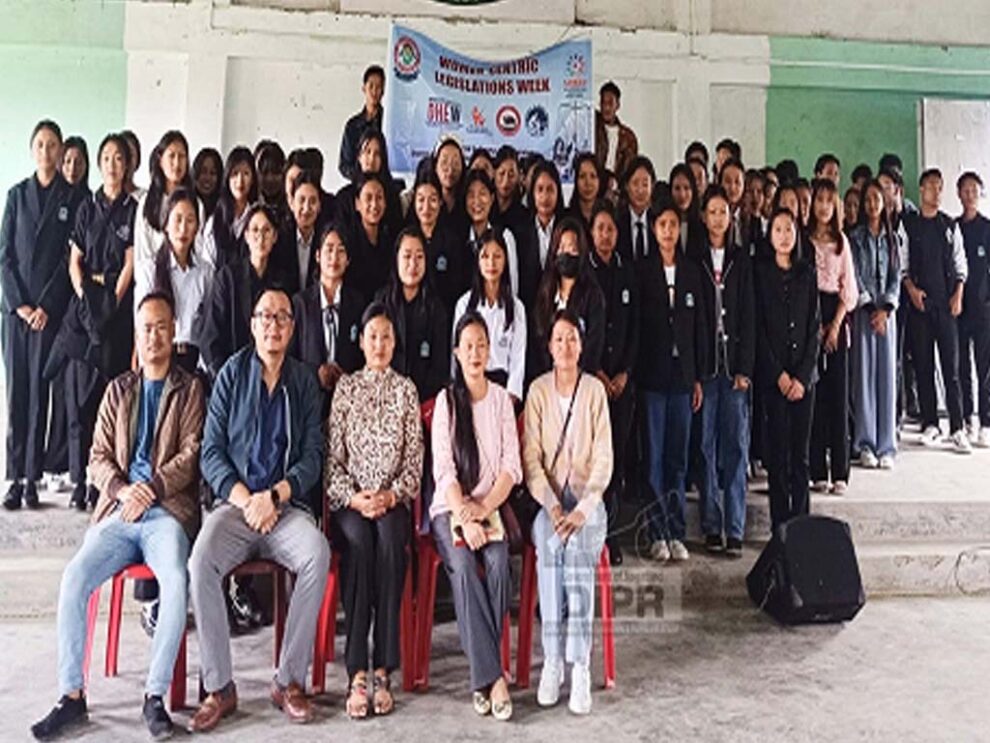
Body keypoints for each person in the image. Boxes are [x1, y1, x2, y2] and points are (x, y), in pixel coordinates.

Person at [29, 292, 205, 742]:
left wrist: (153, 488)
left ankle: (154, 696)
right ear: (136, 334)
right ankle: (71, 695)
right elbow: (98, 457)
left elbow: (192, 454)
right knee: (74, 578)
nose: (154, 336)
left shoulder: (190, 390)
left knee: (175, 580)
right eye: (146, 328)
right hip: (120, 511)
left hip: (166, 513)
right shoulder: (118, 390)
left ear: (173, 331)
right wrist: (125, 490)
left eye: (162, 327)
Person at [189, 287, 329, 731]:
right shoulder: (231, 375)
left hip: (285, 508)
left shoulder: (303, 382)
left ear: (292, 327)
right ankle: (219, 687)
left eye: (282, 317)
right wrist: (247, 499)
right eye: (265, 316)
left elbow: (313, 457)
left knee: (317, 553)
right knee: (201, 559)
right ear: (252, 325)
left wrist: (276, 496)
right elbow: (211, 452)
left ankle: (288, 681)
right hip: (237, 507)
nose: (273, 325)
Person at [325, 302, 423, 720]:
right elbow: (333, 461)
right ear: (361, 342)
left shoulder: (406, 390)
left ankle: (383, 667)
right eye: (372, 337)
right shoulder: (346, 388)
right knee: (360, 544)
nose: (379, 344)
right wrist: (355, 498)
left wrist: (390, 495)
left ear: (394, 343)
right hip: (352, 501)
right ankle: (356, 672)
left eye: (386, 337)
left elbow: (414, 461)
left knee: (389, 543)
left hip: (392, 500)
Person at [430, 312, 521, 721]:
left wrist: (483, 510)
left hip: (491, 508)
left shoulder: (501, 400)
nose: (475, 353)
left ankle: (481, 675)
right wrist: (465, 517)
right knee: (465, 565)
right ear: (456, 352)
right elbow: (444, 470)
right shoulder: (447, 402)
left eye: (481, 345)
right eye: (467, 346)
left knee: (500, 563)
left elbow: (511, 468)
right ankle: (493, 678)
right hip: (450, 508)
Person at [523, 309, 612, 716]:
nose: (565, 346)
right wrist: (553, 505)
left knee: (576, 552)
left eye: (572, 338)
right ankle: (552, 659)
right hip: (551, 504)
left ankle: (579, 665)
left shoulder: (594, 391)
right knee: (549, 546)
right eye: (559, 338)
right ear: (549, 345)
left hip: (589, 505)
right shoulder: (538, 391)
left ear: (582, 344)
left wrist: (584, 509)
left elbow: (604, 459)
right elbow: (531, 460)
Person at [1, 121, 85, 510]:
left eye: (53, 145)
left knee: (39, 395)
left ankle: (32, 478)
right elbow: (4, 256)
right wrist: (20, 305)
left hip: (48, 315)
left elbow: (68, 262)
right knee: (16, 392)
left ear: (61, 150)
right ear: (31, 149)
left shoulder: (71, 200)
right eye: (40, 144)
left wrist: (46, 307)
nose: (47, 152)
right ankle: (14, 477)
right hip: (16, 315)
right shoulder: (16, 195)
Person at [53, 133, 137, 511]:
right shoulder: (86, 207)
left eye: (119, 158)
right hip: (84, 310)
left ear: (127, 164)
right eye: (107, 158)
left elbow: (131, 263)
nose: (112, 165)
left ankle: (104, 482)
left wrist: (111, 304)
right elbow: (75, 262)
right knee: (78, 403)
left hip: (116, 315)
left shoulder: (133, 209)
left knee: (111, 405)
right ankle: (78, 480)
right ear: (99, 164)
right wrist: (88, 300)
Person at [636, 203, 706, 562]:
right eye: (662, 224)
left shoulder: (691, 271)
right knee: (654, 460)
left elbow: (700, 328)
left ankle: (676, 531)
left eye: (673, 224)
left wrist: (697, 378)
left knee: (677, 459)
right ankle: (656, 533)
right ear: (653, 228)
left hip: (682, 379)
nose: (668, 231)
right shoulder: (643, 271)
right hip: (652, 378)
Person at [691, 186, 755, 558]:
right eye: (712, 211)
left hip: (734, 369)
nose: (718, 218)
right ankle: (712, 525)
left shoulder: (741, 259)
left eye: (723, 211)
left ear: (731, 217)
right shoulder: (694, 259)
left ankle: (735, 527)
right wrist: (695, 374)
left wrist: (745, 368)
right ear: (703, 216)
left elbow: (749, 316)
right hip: (706, 367)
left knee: (735, 446)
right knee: (706, 446)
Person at [755, 208, 820, 532]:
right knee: (778, 457)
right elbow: (759, 330)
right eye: (778, 229)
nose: (783, 236)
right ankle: (780, 527)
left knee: (801, 457)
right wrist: (779, 375)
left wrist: (802, 377)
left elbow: (814, 328)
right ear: (770, 236)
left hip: (804, 381)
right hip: (775, 380)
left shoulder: (807, 273)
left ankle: (801, 526)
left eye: (788, 229)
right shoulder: (761, 274)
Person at [901, 168, 970, 453]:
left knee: (951, 368)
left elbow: (961, 264)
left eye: (940, 187)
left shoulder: (949, 226)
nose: (937, 191)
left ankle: (958, 427)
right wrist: (911, 290)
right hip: (920, 305)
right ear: (921, 190)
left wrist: (958, 294)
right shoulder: (909, 225)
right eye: (931, 186)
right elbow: (902, 265)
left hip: (946, 304)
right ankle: (930, 423)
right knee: (924, 366)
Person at [588, 202, 638, 565]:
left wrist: (624, 373)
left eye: (610, 229)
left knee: (616, 462)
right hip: (593, 384)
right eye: (600, 228)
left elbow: (637, 330)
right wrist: (599, 373)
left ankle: (612, 536)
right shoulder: (584, 275)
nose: (605, 235)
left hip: (622, 385)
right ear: (591, 233)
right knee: (594, 462)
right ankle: (592, 533)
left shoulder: (627, 272)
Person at [807, 179, 858, 494]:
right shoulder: (804, 242)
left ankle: (840, 471)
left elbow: (848, 290)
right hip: (809, 319)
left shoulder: (842, 242)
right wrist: (814, 327)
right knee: (815, 397)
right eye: (819, 199)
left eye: (829, 200)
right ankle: (817, 470)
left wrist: (835, 325)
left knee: (838, 397)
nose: (824, 206)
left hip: (836, 317)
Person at [200, 204, 289, 380]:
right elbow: (209, 339)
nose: (260, 237)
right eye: (255, 230)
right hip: (232, 375)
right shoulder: (227, 278)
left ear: (275, 237)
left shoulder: (283, 282)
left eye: (266, 230)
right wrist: (224, 380)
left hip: (273, 376)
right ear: (246, 236)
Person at [849, 180, 900, 469]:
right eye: (867, 199)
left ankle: (886, 446)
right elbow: (855, 276)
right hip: (864, 314)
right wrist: (870, 308)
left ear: (884, 202)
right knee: (864, 377)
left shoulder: (894, 239)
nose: (871, 204)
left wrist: (886, 309)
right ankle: (865, 443)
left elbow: (896, 277)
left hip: (887, 316)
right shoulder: (855, 238)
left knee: (887, 378)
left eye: (876, 199)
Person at [136, 189, 214, 374]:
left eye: (190, 220)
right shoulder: (149, 269)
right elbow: (141, 323)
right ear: (166, 224)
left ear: (197, 227)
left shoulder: (205, 272)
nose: (183, 228)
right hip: (159, 358)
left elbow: (209, 326)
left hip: (194, 363)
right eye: (177, 219)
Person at [290, 223, 364, 408]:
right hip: (308, 401)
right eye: (329, 249)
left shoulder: (358, 303)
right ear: (317, 256)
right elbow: (290, 358)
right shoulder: (300, 303)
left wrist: (347, 378)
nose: (334, 257)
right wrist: (316, 373)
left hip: (348, 403)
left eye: (341, 251)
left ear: (348, 260)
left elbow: (363, 356)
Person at [452, 229, 527, 403]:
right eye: (485, 256)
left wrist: (509, 400)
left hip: (503, 389)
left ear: (506, 260)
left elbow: (518, 360)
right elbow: (456, 355)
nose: (491, 263)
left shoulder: (516, 307)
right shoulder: (464, 304)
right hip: (469, 386)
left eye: (497, 256)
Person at [376, 228, 450, 401]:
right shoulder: (381, 302)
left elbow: (439, 368)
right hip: (385, 398)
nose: (413, 264)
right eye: (407, 256)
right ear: (396, 259)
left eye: (419, 257)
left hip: (424, 401)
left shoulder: (436, 308)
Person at [529, 216, 605, 383]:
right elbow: (537, 340)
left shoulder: (593, 295)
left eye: (573, 248)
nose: (567, 253)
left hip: (581, 383)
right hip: (547, 383)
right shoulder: (545, 293)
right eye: (562, 247)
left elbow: (594, 345)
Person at [955, 171, 990, 447]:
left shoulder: (987, 228)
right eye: (965, 190)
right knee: (962, 366)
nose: (970, 195)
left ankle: (986, 422)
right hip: (958, 308)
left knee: (985, 366)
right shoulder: (953, 227)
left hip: (983, 308)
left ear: (981, 193)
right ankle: (968, 419)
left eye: (974, 190)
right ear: (958, 194)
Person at [410, 160, 469, 317]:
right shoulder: (406, 239)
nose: (426, 207)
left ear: (441, 202)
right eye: (421, 200)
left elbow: (456, 288)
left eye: (433, 200)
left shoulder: (452, 241)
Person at [134, 131, 195, 276]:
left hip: (188, 278)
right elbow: (142, 255)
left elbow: (198, 250)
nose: (177, 163)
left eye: (182, 156)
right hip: (153, 280)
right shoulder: (147, 202)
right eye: (171, 156)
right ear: (160, 160)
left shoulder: (195, 204)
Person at [198, 146, 258, 271]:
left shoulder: (257, 218)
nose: (240, 181)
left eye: (246, 174)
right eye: (235, 173)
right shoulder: (215, 221)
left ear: (253, 179)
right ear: (227, 177)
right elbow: (207, 267)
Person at [465, 170, 520, 297]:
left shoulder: (505, 236)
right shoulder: (458, 238)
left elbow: (513, 286)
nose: (477, 201)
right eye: (471, 195)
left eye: (482, 194)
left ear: (492, 198)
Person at [518, 160, 564, 311]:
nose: (545, 196)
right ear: (532, 193)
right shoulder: (521, 232)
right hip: (528, 311)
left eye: (550, 189)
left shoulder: (566, 229)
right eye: (540, 189)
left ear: (558, 192)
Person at [342, 172, 394, 302]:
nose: (374, 204)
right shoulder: (347, 241)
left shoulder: (390, 239)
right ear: (357, 204)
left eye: (379, 197)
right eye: (368, 198)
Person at [276, 170, 322, 295]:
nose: (306, 208)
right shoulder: (279, 239)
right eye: (301, 200)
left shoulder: (325, 240)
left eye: (313, 201)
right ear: (291, 204)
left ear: (319, 206)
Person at [339, 64, 385, 181]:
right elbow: (344, 165)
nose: (374, 91)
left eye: (379, 87)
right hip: (359, 186)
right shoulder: (352, 125)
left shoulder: (387, 123)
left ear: (383, 91)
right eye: (371, 86)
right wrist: (362, 178)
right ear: (364, 88)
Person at [594, 81, 638, 189]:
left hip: (616, 189)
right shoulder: (592, 126)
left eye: (610, 103)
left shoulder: (628, 138)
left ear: (617, 105)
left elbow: (630, 169)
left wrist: (617, 184)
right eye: (603, 103)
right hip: (594, 184)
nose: (606, 108)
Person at [616, 156, 656, 263]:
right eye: (635, 183)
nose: (640, 190)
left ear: (652, 186)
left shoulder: (658, 221)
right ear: (627, 186)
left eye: (645, 184)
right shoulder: (617, 222)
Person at [567, 153, 606, 229]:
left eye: (593, 176)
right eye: (582, 176)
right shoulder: (566, 218)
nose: (588, 183)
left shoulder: (608, 216)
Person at [193, 147, 223, 218]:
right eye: (203, 172)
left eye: (213, 173)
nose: (207, 178)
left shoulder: (224, 208)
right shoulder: (186, 203)